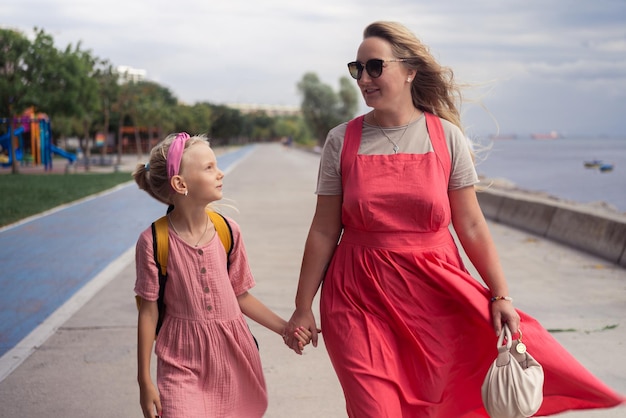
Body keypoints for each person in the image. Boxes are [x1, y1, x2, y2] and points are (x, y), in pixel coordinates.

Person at [285, 21, 625, 417]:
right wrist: (302, 305)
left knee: (437, 405)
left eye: (375, 66)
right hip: (356, 296)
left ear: (410, 70)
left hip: (434, 295)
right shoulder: (341, 140)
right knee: (374, 408)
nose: (364, 78)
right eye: (356, 69)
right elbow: (325, 229)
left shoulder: (446, 137)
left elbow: (472, 224)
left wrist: (500, 294)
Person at [133, 132, 311, 418]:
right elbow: (148, 312)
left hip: (232, 356)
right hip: (181, 358)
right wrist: (144, 380)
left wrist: (284, 329)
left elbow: (240, 295)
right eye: (209, 168)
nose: (220, 173)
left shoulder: (228, 232)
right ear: (180, 184)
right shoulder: (153, 241)